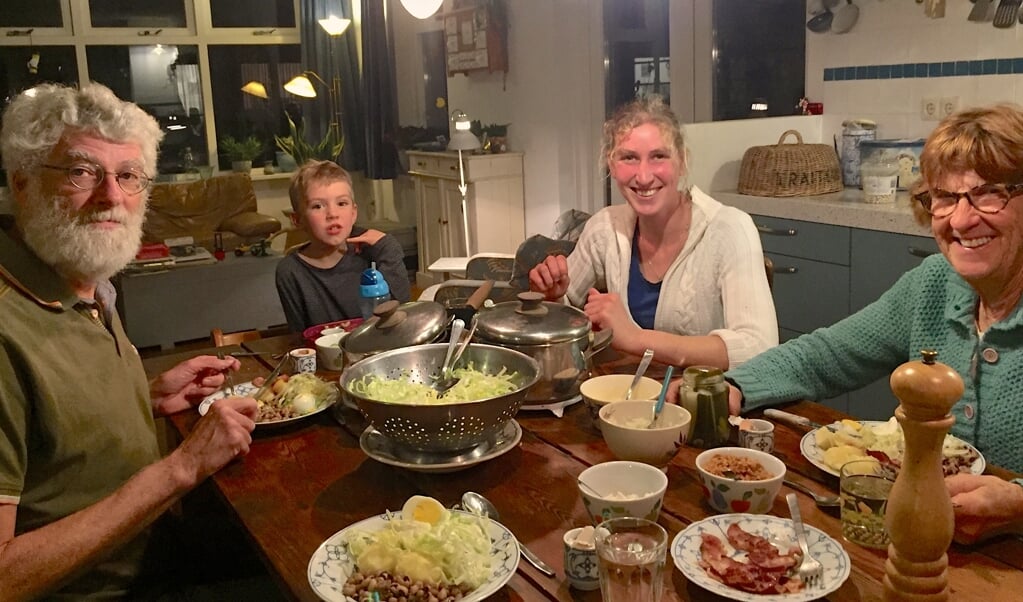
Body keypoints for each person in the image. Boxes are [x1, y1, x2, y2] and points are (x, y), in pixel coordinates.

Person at [0, 82, 262, 599]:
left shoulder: (86, 280)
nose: (112, 197)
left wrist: (148, 397)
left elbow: (50, 434)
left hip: (158, 543)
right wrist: (180, 468)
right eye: (81, 172)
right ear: (23, 182)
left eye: (128, 176)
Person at [723, 103, 1023, 544]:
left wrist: (1017, 507)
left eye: (988, 193)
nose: (961, 219)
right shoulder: (935, 283)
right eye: (944, 196)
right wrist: (732, 386)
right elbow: (828, 354)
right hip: (918, 537)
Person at [528, 95, 777, 369]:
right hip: (624, 399)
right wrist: (553, 296)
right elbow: (562, 312)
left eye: (658, 156)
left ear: (682, 162)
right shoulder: (605, 228)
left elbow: (759, 347)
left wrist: (636, 338)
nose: (644, 176)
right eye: (629, 158)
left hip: (700, 403)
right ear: (611, 165)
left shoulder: (730, 230)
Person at [275, 160, 411, 332]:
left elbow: (403, 313)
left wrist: (389, 248)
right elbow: (300, 338)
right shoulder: (290, 271)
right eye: (318, 206)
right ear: (297, 220)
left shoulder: (373, 251)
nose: (332, 214)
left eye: (342, 203)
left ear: (353, 213)